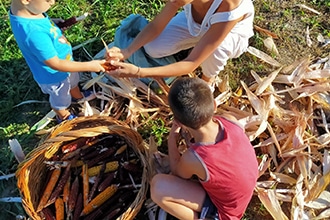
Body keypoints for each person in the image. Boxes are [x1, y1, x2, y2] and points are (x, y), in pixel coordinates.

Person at [150, 77, 259, 220]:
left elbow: (176, 172)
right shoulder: (229, 120)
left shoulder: (195, 158)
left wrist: (172, 138)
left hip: (226, 214)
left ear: (178, 122)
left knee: (158, 187)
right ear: (214, 105)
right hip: (240, 195)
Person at [106, 0, 255, 89]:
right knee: (153, 48)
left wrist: (139, 72)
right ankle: (199, 42)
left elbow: (191, 63)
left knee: (217, 50)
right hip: (196, 24)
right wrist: (128, 50)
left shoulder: (229, 6)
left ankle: (207, 80)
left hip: (229, 33)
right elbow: (156, 26)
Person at [9, 0, 106, 122]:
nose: (53, 2)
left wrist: (52, 24)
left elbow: (38, 24)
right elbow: (55, 64)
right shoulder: (34, 33)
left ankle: (78, 96)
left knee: (73, 81)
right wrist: (89, 66)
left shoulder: (28, 11)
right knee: (61, 98)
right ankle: (63, 115)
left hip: (66, 64)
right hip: (54, 77)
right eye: (48, 0)